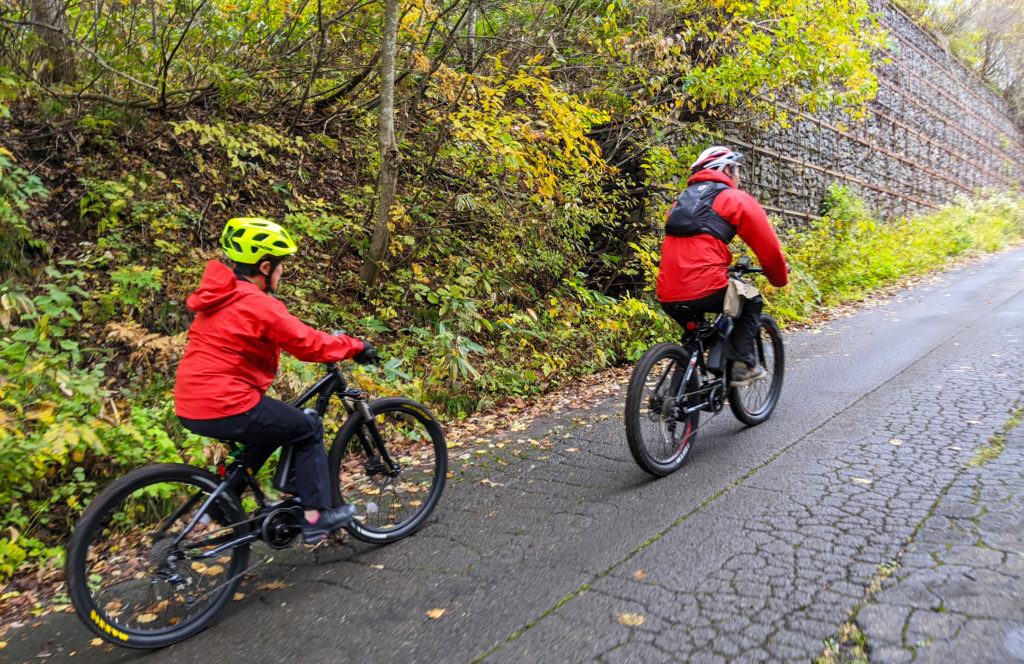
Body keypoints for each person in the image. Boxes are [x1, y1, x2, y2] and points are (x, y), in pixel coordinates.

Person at [174, 217, 379, 543]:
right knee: (308, 428)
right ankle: (316, 517)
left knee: (270, 429)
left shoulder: (219, 298)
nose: (283, 273)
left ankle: (215, 511)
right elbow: (308, 345)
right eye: (281, 266)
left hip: (190, 403)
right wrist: (353, 347)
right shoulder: (258, 303)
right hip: (226, 402)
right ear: (266, 267)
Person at [656, 146, 789, 386]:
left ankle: (685, 381)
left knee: (695, 335)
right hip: (707, 287)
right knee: (751, 300)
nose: (739, 177)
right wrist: (779, 279)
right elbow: (770, 251)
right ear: (726, 169)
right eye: (737, 170)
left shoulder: (678, 204)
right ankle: (742, 364)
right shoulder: (734, 199)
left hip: (667, 292)